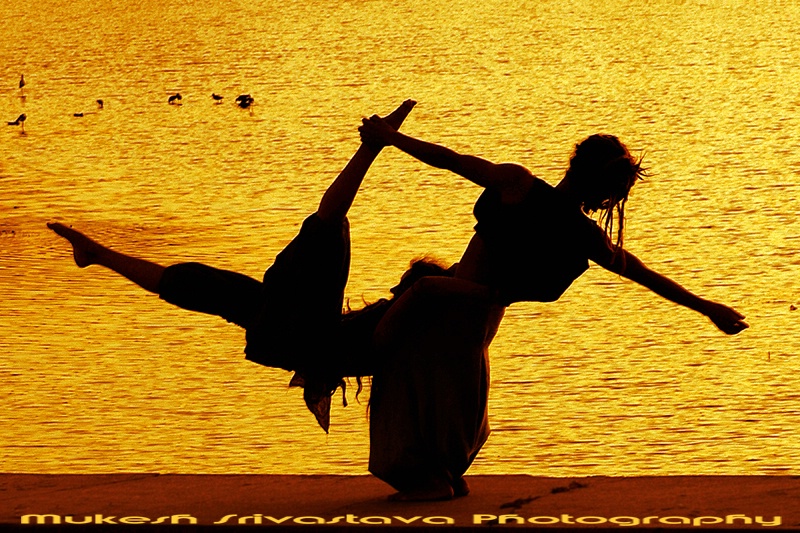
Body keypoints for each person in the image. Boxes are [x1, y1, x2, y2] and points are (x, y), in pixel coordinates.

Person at [358, 112, 748, 501]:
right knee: (442, 400)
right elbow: (641, 273)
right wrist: (706, 307)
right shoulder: (581, 232)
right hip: (478, 325)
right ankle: (442, 474)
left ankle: (432, 479)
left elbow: (451, 159)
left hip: (451, 311)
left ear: (574, 163)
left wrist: (392, 138)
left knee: (407, 388)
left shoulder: (519, 185)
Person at [47, 100, 418, 433]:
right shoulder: (400, 320)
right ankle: (97, 254)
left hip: (301, 331)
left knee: (328, 229)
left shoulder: (419, 317)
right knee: (197, 284)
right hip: (288, 327)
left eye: (401, 287)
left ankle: (369, 149)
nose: (392, 291)